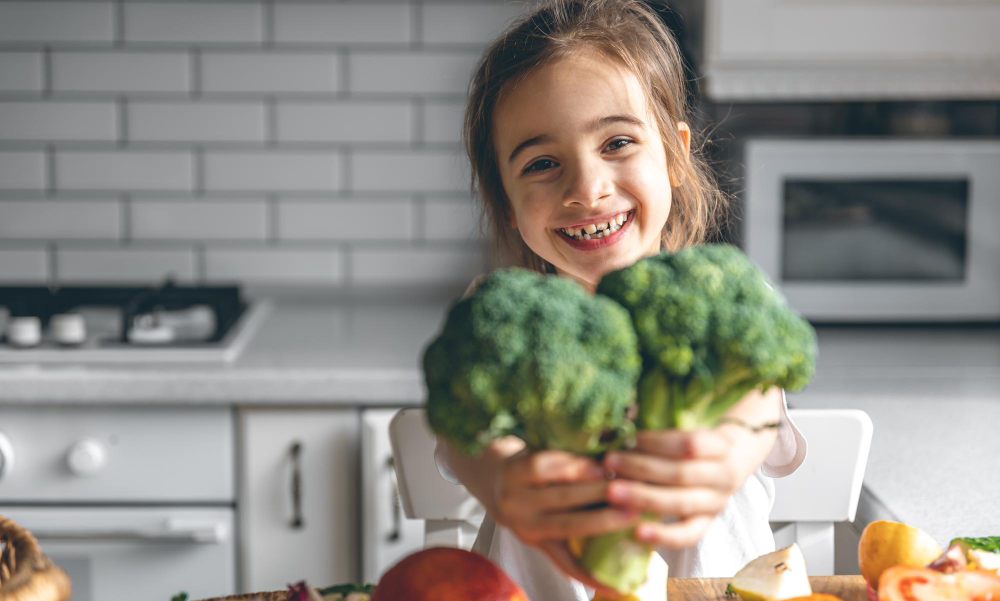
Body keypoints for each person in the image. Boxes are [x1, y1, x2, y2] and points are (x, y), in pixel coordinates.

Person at [433, 1, 807, 598]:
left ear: (676, 155)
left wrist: (726, 452)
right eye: (543, 163)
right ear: (504, 199)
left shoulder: (724, 301)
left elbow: (753, 403)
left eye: (617, 143)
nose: (587, 188)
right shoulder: (500, 319)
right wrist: (503, 476)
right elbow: (463, 436)